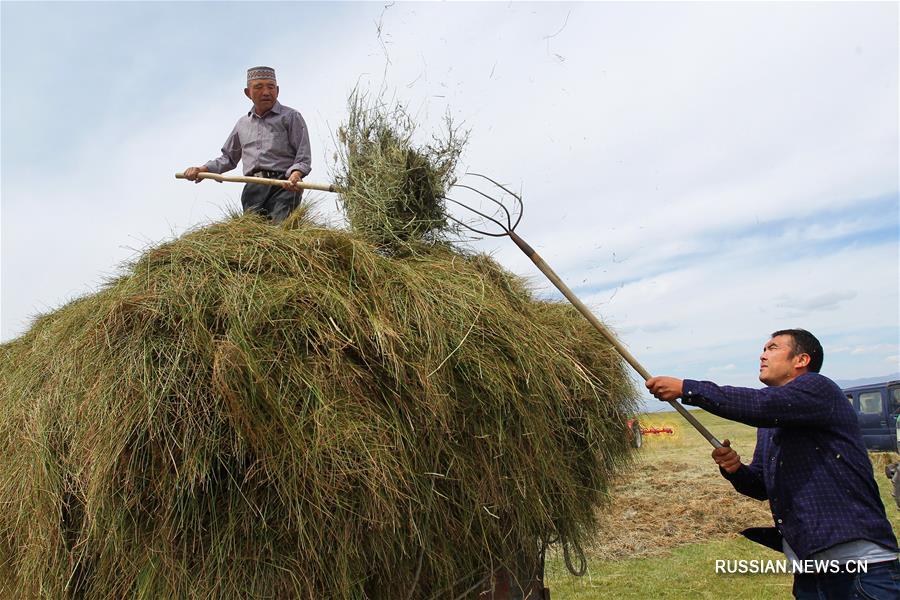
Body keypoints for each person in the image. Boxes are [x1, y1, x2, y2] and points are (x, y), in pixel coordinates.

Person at [646, 329, 900, 599]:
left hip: (861, 572)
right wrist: (735, 470)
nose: (762, 354)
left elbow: (759, 404)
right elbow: (760, 486)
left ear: (801, 360)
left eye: (772, 348)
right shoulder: (771, 425)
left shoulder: (819, 388)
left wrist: (688, 388)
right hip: (809, 575)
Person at [183, 66, 311, 223]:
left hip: (284, 185)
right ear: (247, 93)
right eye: (259, 87)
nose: (266, 92)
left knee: (279, 229)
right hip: (253, 187)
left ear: (277, 90)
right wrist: (202, 169)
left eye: (270, 87)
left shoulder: (291, 117)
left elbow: (303, 155)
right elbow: (228, 158)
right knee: (254, 235)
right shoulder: (242, 124)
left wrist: (296, 174)